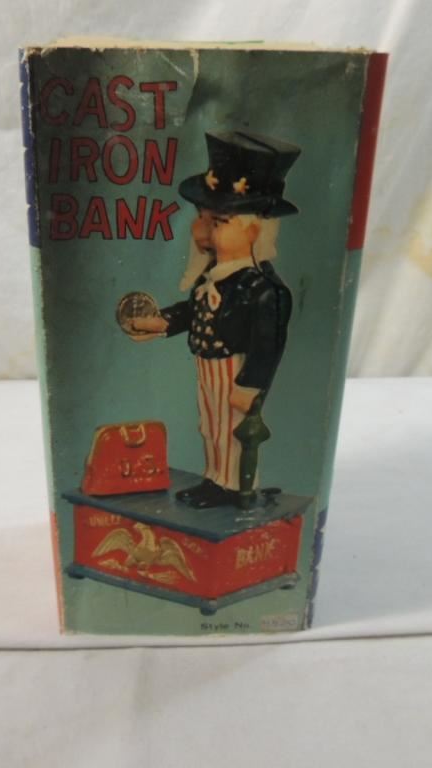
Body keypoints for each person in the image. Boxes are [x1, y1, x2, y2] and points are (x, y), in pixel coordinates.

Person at [130, 131, 301, 509]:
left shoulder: (263, 289)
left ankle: (233, 485)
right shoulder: (215, 275)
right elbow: (194, 309)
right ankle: (215, 478)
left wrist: (250, 385)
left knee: (232, 429)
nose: (202, 230)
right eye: (202, 218)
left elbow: (268, 345)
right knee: (210, 425)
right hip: (208, 366)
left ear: (254, 230)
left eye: (219, 221)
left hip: (233, 369)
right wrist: (163, 322)